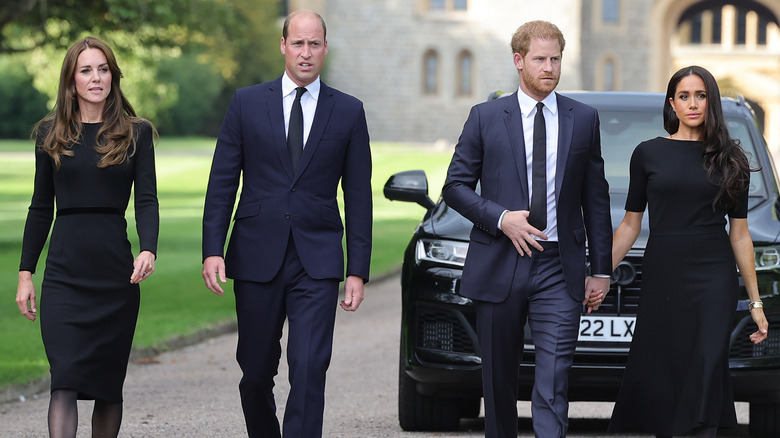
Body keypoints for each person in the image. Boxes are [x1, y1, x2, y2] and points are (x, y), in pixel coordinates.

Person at [201, 9, 372, 438]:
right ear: (283, 46)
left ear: (325, 48)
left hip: (318, 258)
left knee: (311, 366)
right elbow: (222, 182)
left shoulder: (349, 111)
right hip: (257, 253)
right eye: (298, 43)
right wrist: (212, 249)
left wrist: (357, 269)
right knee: (256, 372)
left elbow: (359, 196)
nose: (306, 52)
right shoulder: (246, 103)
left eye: (314, 44)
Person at [442, 20, 612, 437]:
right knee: (498, 380)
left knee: (553, 377)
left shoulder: (583, 118)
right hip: (501, 259)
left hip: (559, 265)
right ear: (519, 61)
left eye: (555, 58)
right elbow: (455, 187)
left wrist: (601, 269)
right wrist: (500, 218)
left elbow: (595, 198)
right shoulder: (485, 117)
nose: (549, 67)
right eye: (540, 59)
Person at [607, 65, 769, 438]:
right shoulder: (647, 154)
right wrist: (599, 273)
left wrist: (756, 303)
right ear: (672, 104)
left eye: (701, 95)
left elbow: (740, 235)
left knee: (706, 363)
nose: (693, 103)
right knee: (666, 366)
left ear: (711, 102)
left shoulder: (732, 159)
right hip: (664, 271)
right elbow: (630, 225)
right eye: (684, 96)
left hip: (713, 277)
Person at [15, 36, 158, 438]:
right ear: (71, 80)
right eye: (86, 70)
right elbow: (41, 206)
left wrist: (149, 248)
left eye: (103, 69)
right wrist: (26, 273)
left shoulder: (137, 133)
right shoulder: (50, 133)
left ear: (113, 75)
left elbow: (147, 199)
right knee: (64, 379)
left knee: (109, 387)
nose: (96, 78)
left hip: (115, 275)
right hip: (64, 274)